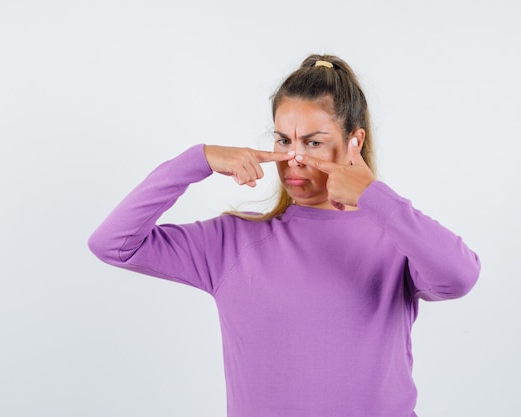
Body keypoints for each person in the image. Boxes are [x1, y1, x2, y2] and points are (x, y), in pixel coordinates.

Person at [88, 54, 480, 417]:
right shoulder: (233, 242)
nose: (293, 159)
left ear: (353, 143)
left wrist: (372, 195)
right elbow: (113, 244)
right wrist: (199, 159)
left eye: (312, 142)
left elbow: (459, 275)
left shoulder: (396, 238)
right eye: (283, 140)